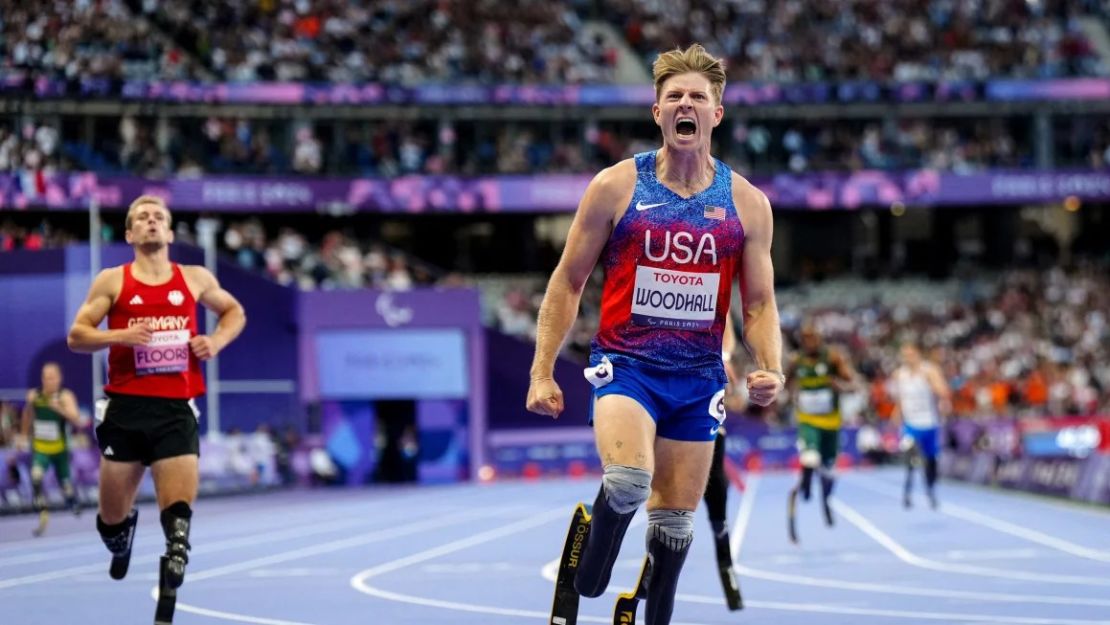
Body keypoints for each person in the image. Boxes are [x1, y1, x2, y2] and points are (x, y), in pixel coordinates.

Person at [527, 44, 783, 625]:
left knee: (674, 529)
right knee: (626, 483)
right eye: (675, 97)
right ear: (658, 112)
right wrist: (542, 369)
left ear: (717, 113)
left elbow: (761, 303)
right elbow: (568, 280)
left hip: (698, 379)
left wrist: (770, 366)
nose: (685, 104)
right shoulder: (617, 186)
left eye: (697, 96)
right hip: (629, 367)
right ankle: (583, 571)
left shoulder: (748, 204)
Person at [67, 195, 245, 619]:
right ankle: (120, 535)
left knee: (178, 523)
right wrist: (119, 336)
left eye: (158, 218)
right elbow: (77, 336)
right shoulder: (112, 280)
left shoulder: (195, 278)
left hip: (174, 411)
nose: (151, 222)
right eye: (142, 218)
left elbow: (234, 312)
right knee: (109, 519)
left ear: (168, 232)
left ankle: (172, 571)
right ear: (129, 234)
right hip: (125, 410)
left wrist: (215, 341)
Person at [785, 322, 860, 544]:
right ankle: (807, 489)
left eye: (813, 338)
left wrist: (839, 385)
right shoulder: (796, 361)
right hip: (808, 420)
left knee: (829, 471)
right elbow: (786, 384)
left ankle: (826, 498)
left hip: (830, 423)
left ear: (819, 338)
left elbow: (852, 383)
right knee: (810, 457)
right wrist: (790, 394)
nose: (809, 343)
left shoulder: (832, 358)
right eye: (805, 339)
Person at [21, 362, 84, 536]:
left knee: (65, 485)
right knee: (35, 476)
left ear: (59, 378)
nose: (48, 381)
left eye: (51, 377)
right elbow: (27, 415)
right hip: (41, 448)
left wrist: (59, 409)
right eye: (45, 377)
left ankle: (72, 499)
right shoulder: (34, 396)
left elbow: (77, 420)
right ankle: (41, 509)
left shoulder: (65, 396)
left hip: (60, 450)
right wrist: (23, 435)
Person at [890, 342, 951, 509]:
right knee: (910, 454)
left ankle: (931, 489)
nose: (907, 358)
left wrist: (933, 384)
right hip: (911, 424)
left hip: (929, 423)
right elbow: (900, 398)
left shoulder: (929, 371)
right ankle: (907, 492)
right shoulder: (899, 374)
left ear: (918, 354)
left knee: (931, 461)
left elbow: (944, 391)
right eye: (904, 355)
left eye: (910, 354)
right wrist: (896, 413)